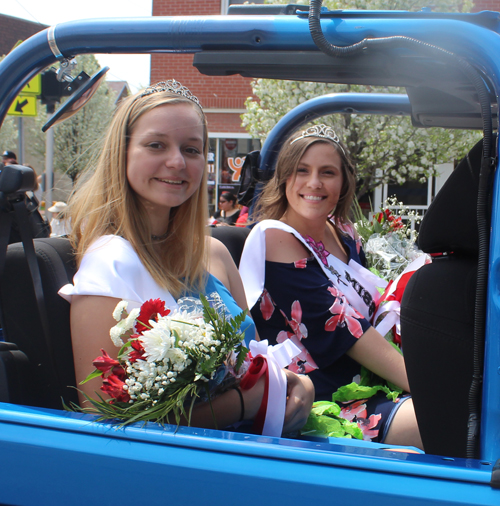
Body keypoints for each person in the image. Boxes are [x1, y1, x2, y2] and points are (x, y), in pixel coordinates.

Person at [58, 80, 313, 433]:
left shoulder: (215, 254)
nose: (177, 161)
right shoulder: (110, 265)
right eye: (156, 145)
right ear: (122, 153)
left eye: (191, 150)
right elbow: (104, 419)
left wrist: (295, 383)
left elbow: (252, 359)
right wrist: (244, 402)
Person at [239, 124, 422, 448]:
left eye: (327, 172)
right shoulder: (275, 237)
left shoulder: (344, 232)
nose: (314, 183)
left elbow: (369, 313)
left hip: (368, 378)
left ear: (343, 181)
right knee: (437, 421)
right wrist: (426, 385)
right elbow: (345, 328)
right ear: (284, 177)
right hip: (319, 398)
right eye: (302, 171)